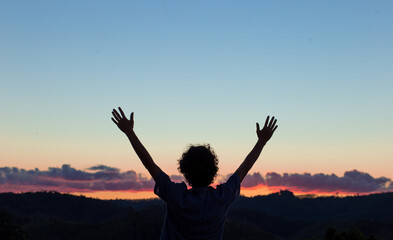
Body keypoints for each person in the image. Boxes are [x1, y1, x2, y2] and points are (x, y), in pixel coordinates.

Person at [111, 107, 278, 240]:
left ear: (184, 170)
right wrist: (261, 141)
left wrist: (129, 132)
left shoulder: (176, 195)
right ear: (213, 171)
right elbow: (244, 168)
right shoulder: (222, 197)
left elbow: (149, 163)